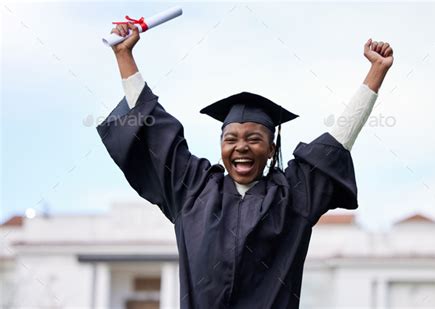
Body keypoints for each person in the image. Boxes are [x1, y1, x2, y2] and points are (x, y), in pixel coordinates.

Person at [98, 22, 393, 309]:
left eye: (254, 138)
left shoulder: (292, 197)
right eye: (231, 139)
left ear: (271, 149)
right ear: (221, 146)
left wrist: (376, 73)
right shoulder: (192, 190)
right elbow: (157, 134)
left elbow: (336, 143)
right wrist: (124, 55)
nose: (241, 147)